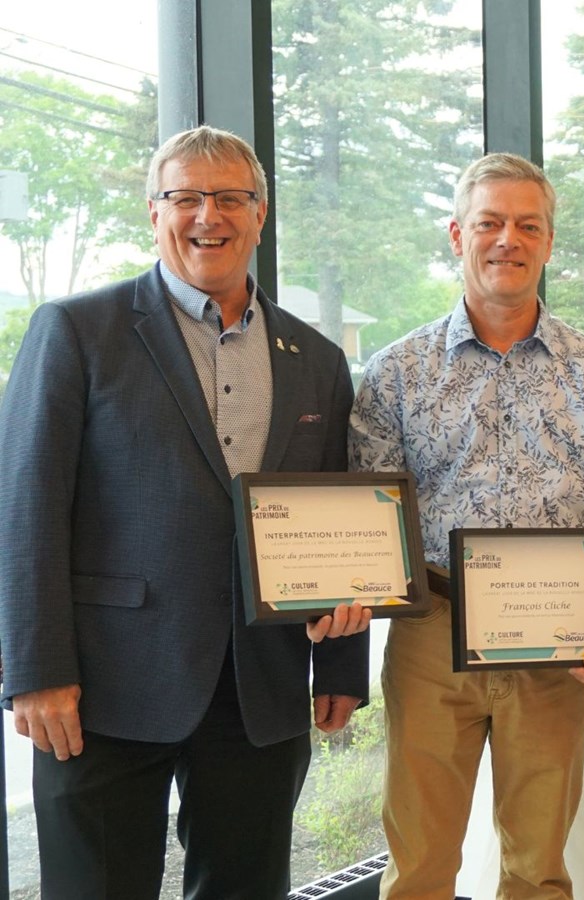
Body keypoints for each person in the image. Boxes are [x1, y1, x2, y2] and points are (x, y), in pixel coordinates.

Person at [0, 125, 371, 899]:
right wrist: (35, 671)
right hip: (105, 687)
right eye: (187, 197)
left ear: (260, 213)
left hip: (261, 688)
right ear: (154, 212)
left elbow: (340, 512)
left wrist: (340, 664)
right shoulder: (76, 331)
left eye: (231, 197)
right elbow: (26, 507)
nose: (210, 215)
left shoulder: (317, 360)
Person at [349, 152, 584, 899]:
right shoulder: (396, 374)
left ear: (549, 242)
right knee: (418, 868)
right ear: (457, 234)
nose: (508, 240)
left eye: (528, 226)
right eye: (490, 223)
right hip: (432, 635)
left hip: (561, 642)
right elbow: (367, 526)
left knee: (537, 871)